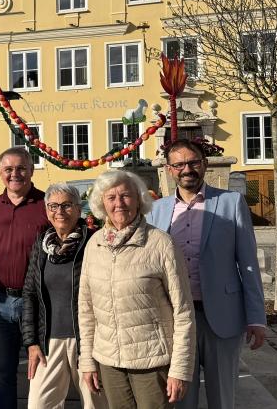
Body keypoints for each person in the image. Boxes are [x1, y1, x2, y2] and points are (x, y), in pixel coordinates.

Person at [146, 139, 267, 409]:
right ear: (169, 169)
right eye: (179, 164)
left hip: (222, 317)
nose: (187, 169)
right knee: (181, 399)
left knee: (222, 398)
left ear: (205, 164)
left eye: (193, 162)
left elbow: (248, 263)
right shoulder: (156, 210)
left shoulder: (231, 203)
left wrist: (257, 318)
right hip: (176, 321)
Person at [78, 170, 196, 409]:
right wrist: (87, 361)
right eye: (111, 197)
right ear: (102, 203)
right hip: (109, 361)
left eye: (126, 196)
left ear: (139, 200)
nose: (119, 203)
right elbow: (86, 309)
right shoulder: (94, 244)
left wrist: (180, 369)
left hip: (152, 361)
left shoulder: (161, 244)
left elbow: (183, 312)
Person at [0, 147, 50, 409]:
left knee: (42, 371)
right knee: (2, 372)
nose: (15, 174)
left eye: (21, 168)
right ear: (0, 173)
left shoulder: (46, 204)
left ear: (31, 170)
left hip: (38, 303)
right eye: (8, 169)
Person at [21, 183, 106, 409]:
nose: (60, 211)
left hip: (88, 342)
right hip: (48, 342)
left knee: (95, 404)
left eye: (67, 205)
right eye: (53, 206)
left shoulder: (94, 242)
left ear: (79, 209)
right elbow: (29, 294)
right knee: (39, 404)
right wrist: (31, 342)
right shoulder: (41, 245)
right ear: (47, 210)